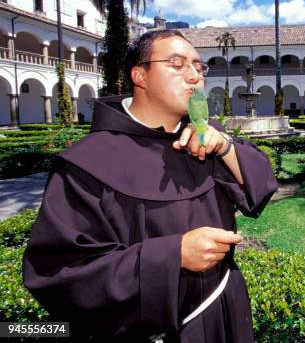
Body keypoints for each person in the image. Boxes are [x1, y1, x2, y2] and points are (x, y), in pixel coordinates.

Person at [22, 29, 278, 342]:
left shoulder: (206, 137)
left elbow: (261, 187)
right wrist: (174, 256)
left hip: (221, 313)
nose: (194, 76)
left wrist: (225, 146)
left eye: (199, 67)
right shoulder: (88, 162)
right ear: (140, 75)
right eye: (177, 64)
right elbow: (59, 275)